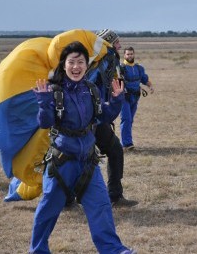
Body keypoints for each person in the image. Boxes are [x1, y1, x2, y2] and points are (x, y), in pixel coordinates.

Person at [29, 41, 136, 254]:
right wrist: (43, 102)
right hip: (62, 163)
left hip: (87, 161)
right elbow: (45, 122)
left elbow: (103, 115)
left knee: (101, 207)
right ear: (64, 65)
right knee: (48, 209)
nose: (76, 67)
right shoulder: (54, 91)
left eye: (81, 62)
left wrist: (116, 100)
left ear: (86, 65)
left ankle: (114, 250)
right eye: (72, 62)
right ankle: (38, 250)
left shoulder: (91, 89)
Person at [86, 29, 138, 207]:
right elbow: (93, 85)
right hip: (94, 119)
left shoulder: (92, 60)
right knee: (114, 151)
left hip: (90, 116)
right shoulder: (107, 58)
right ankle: (114, 196)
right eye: (116, 43)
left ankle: (69, 199)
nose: (120, 46)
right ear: (108, 43)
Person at [120, 46, 154, 151]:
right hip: (124, 97)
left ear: (134, 54)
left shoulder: (139, 68)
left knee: (130, 120)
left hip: (135, 97)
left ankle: (127, 142)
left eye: (131, 54)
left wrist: (150, 86)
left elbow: (144, 79)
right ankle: (127, 144)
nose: (130, 56)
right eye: (128, 54)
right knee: (126, 119)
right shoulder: (120, 68)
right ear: (124, 55)